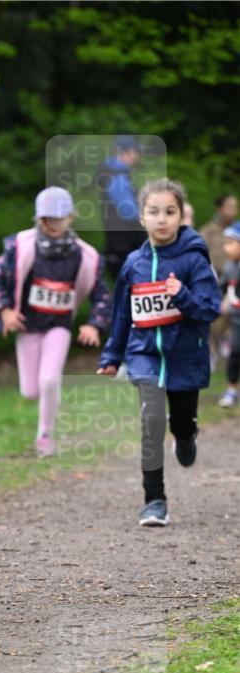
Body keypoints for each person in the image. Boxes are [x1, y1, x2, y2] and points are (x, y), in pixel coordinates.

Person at [97, 178, 221, 527]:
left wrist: (182, 295)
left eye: (170, 211)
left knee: (179, 421)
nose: (162, 219)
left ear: (181, 216)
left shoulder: (194, 260)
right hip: (144, 354)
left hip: (185, 355)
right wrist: (111, 356)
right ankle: (154, 500)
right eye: (154, 212)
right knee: (151, 422)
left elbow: (209, 309)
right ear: (142, 217)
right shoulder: (133, 263)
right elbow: (122, 314)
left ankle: (185, 433)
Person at [0, 186, 111, 457]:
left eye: (58, 218)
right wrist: (5, 311)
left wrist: (94, 324)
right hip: (28, 325)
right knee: (31, 391)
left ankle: (45, 436)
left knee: (49, 380)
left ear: (71, 218)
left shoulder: (85, 255)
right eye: (46, 219)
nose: (52, 225)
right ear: (38, 219)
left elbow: (101, 294)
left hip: (59, 325)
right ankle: (50, 398)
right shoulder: (20, 247)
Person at [96, 136, 145, 280]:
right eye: (135, 152)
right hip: (124, 249)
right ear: (125, 152)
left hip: (120, 247)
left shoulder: (114, 173)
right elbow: (129, 211)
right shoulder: (116, 175)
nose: (137, 156)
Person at [201, 193, 238, 367]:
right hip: (214, 282)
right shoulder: (208, 231)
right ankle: (214, 353)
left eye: (235, 207)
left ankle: (229, 354)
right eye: (230, 206)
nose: (233, 211)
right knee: (215, 320)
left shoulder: (237, 230)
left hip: (235, 281)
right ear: (220, 208)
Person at [218, 221, 240, 408]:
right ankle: (232, 389)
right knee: (235, 353)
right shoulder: (229, 267)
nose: (226, 248)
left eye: (231, 243)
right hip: (236, 320)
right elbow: (222, 288)